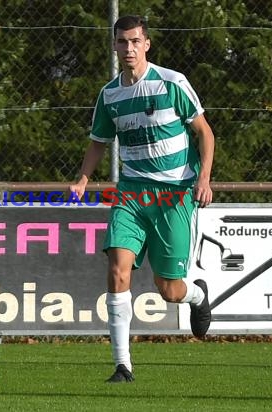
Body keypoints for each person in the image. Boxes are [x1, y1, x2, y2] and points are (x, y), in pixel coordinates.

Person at [70, 15, 215, 383]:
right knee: (117, 269)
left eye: (135, 41)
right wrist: (83, 179)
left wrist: (204, 178)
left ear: (146, 44)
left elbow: (204, 133)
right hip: (132, 193)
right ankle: (123, 365)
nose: (129, 48)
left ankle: (196, 295)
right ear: (115, 46)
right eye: (122, 42)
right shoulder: (110, 95)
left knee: (168, 289)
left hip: (175, 195)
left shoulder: (172, 83)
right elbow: (99, 142)